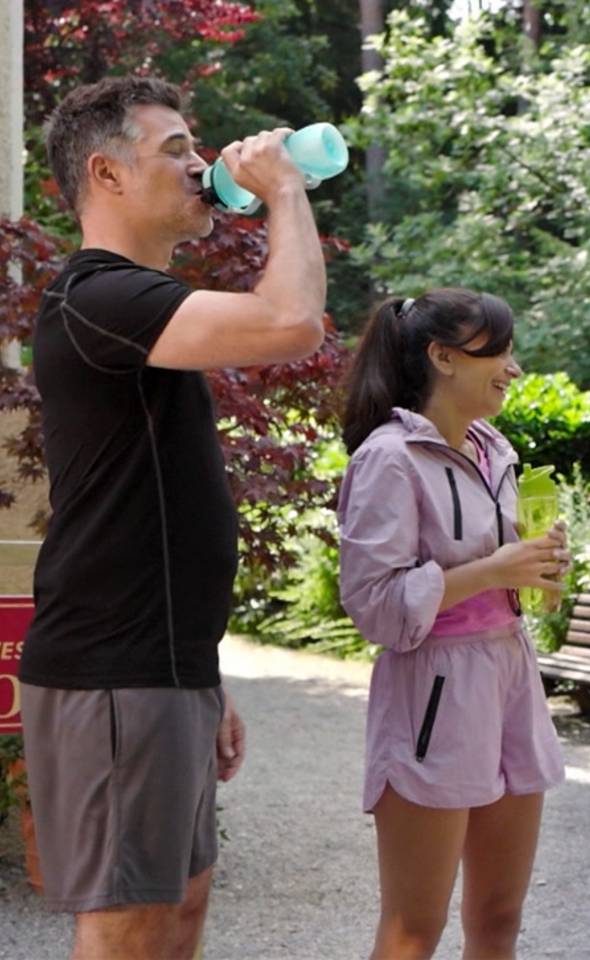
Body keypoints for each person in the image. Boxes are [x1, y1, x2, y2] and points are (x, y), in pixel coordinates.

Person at [18, 76, 327, 957]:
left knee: (178, 910)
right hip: (113, 669)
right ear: (107, 174)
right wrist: (286, 189)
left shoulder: (138, 310)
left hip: (160, 666)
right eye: (176, 149)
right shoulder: (98, 297)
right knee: (129, 925)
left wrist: (202, 673)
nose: (201, 166)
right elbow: (291, 321)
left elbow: (160, 510)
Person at [338, 289, 569, 960]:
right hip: (434, 692)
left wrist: (539, 567)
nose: (513, 368)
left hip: (511, 676)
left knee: (499, 919)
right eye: (497, 352)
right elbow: (374, 603)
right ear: (442, 357)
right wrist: (493, 570)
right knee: (414, 930)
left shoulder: (496, 450)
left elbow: (508, 576)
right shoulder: (388, 458)